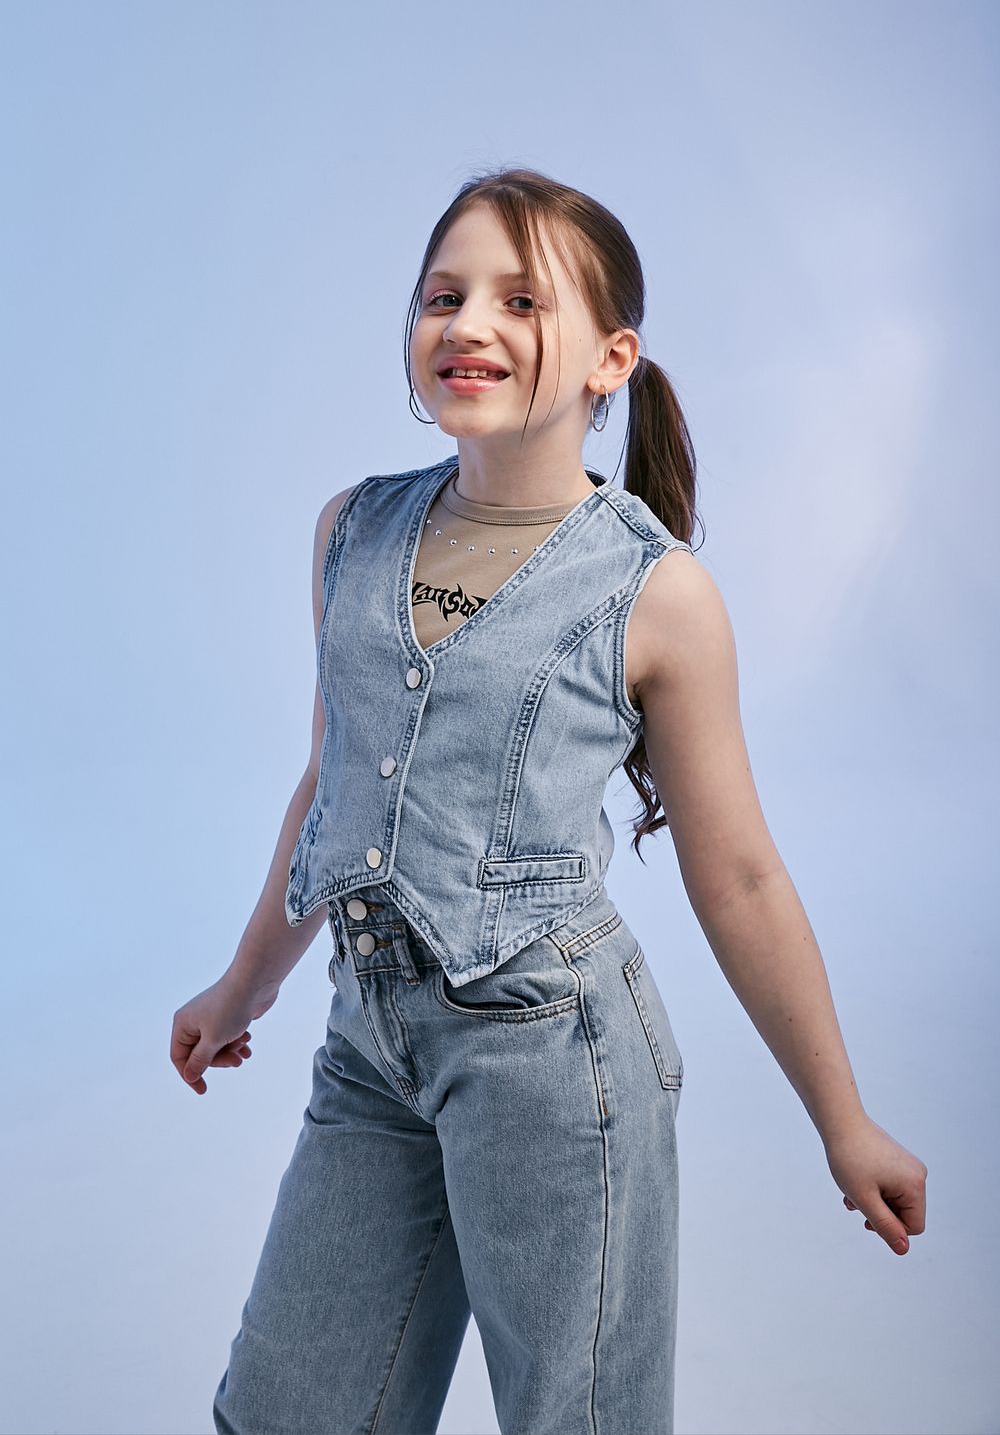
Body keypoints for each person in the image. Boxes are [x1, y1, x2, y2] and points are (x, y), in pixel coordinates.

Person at [172, 166, 928, 1435]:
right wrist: (242, 986)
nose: (468, 323)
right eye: (443, 295)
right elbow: (332, 785)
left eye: (520, 301)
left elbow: (740, 874)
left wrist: (840, 1121)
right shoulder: (350, 532)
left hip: (557, 1066)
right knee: (287, 1409)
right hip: (369, 1051)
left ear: (609, 360)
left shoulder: (658, 594)